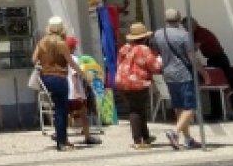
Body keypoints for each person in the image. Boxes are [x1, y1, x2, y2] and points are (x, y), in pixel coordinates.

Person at [152, 10, 203, 150]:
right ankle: (175, 132)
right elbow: (192, 57)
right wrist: (203, 73)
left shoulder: (158, 34)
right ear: (180, 20)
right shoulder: (184, 35)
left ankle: (187, 139)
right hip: (184, 74)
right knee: (190, 107)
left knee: (179, 106)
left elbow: (156, 51)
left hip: (168, 74)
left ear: (165, 19)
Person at [112, 21, 163, 149]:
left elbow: (120, 63)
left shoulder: (124, 48)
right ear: (144, 37)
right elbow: (155, 67)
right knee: (136, 110)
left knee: (137, 109)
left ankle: (145, 137)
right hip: (137, 82)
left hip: (122, 81)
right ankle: (138, 140)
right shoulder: (143, 49)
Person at [32, 16, 76, 151]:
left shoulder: (41, 42)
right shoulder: (62, 44)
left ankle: (63, 140)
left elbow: (34, 59)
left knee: (58, 109)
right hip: (59, 78)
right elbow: (71, 62)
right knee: (61, 110)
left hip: (46, 78)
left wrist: (44, 64)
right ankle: (61, 142)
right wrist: (84, 75)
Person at [188, 18, 233, 120]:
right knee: (213, 86)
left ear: (193, 25)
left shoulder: (200, 32)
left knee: (229, 85)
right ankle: (216, 113)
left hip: (219, 59)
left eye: (186, 27)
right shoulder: (195, 33)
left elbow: (194, 48)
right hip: (212, 59)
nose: (186, 30)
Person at [63, 36, 102, 147]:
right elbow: (75, 76)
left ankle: (62, 136)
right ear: (72, 48)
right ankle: (87, 136)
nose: (76, 48)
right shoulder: (74, 59)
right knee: (84, 114)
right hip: (75, 91)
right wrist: (78, 93)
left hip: (65, 91)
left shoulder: (61, 59)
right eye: (74, 46)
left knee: (65, 115)